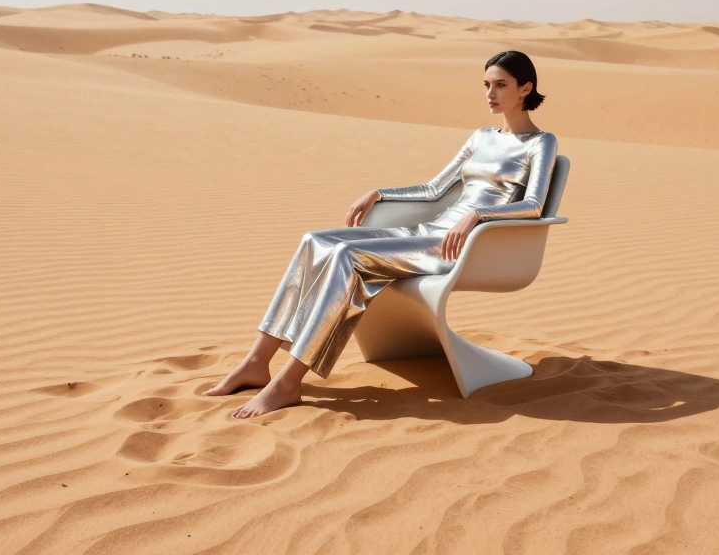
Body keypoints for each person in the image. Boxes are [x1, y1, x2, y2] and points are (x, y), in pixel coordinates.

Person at [205, 50, 559, 418]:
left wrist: (477, 214)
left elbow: (534, 205)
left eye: (500, 85)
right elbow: (435, 188)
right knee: (315, 241)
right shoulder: (481, 136)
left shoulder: (540, 142)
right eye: (486, 85)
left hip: (461, 246)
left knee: (347, 256)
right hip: (427, 233)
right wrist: (380, 193)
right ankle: (256, 362)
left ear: (525, 88)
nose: (490, 93)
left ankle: (288, 383)